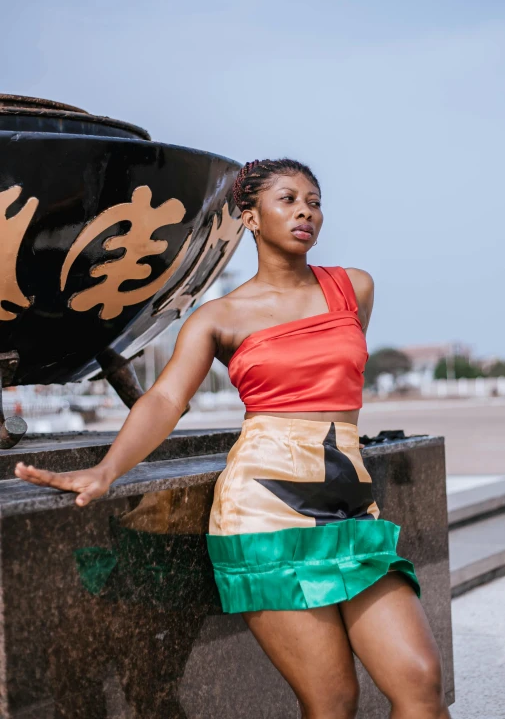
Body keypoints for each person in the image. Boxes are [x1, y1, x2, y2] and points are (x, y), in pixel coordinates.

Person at [15, 158, 451, 719]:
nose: (305, 212)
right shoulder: (219, 316)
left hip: (351, 505)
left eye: (314, 202)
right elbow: (167, 400)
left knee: (420, 681)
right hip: (265, 512)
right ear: (249, 215)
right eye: (288, 199)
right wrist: (107, 470)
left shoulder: (353, 289)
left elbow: (330, 379)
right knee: (333, 700)